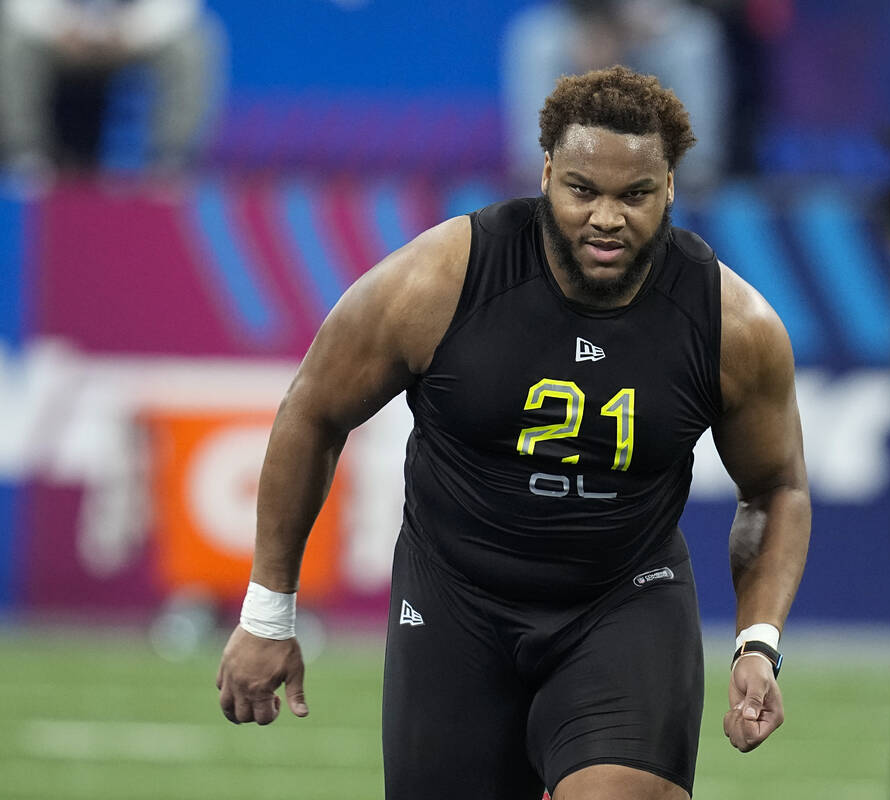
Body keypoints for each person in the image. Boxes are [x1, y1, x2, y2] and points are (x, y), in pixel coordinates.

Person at [216, 66, 811, 800]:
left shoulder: (731, 325)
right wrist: (268, 612)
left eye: (635, 195)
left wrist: (759, 643)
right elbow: (312, 411)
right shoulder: (441, 280)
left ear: (671, 189)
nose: (606, 218)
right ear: (546, 174)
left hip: (622, 601)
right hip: (455, 602)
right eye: (583, 190)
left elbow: (777, 487)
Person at [501, 0, 731, 190]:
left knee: (693, 39)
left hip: (645, 18)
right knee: (536, 39)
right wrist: (597, 25)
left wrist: (631, 21)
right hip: (583, 18)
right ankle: (542, 168)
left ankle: (694, 173)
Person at [0, 0, 224, 176]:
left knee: (191, 44)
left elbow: (177, 7)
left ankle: (171, 162)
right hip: (57, 37)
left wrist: (130, 32)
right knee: (8, 37)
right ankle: (25, 158)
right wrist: (58, 27)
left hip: (130, 39)